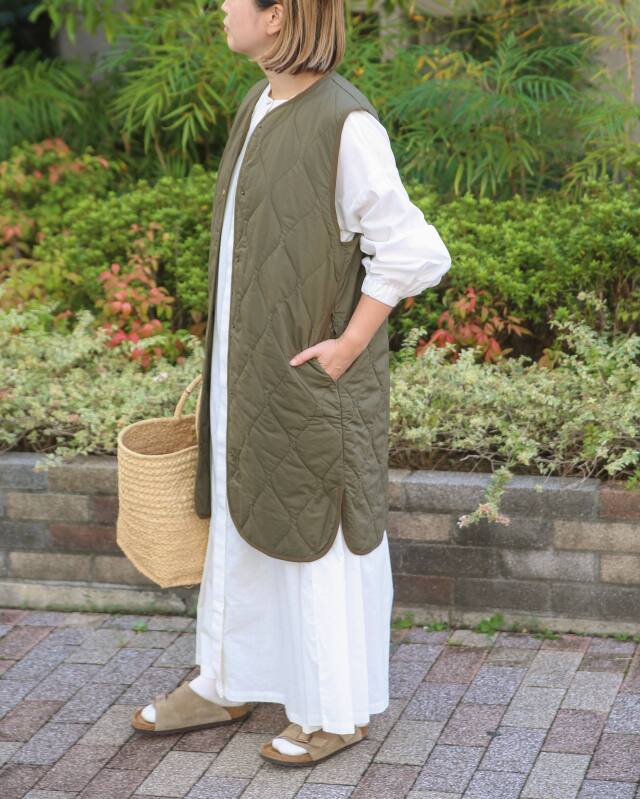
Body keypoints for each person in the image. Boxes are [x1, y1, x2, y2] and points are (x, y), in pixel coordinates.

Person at [131, 0, 451, 766]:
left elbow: (412, 250)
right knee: (241, 525)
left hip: (313, 381)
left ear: (277, 15)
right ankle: (225, 680)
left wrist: (349, 345)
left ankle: (335, 711)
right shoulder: (259, 102)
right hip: (249, 374)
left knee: (318, 538)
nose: (220, 7)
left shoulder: (347, 124)